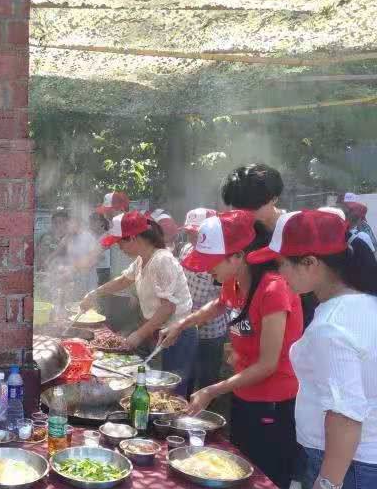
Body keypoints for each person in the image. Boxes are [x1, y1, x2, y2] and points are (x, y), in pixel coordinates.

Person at [160, 210, 303, 489]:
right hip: (246, 402)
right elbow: (216, 306)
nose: (208, 272)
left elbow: (270, 364)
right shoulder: (236, 284)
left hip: (275, 409)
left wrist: (212, 390)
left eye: (213, 264)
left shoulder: (273, 289)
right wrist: (181, 324)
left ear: (238, 255)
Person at [247, 209, 377, 489]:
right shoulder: (366, 306)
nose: (279, 274)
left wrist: (328, 481)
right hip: (367, 459)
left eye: (283, 264)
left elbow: (345, 414)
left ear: (311, 263)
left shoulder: (331, 326)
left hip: (346, 465)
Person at [81, 211, 196, 396]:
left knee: (170, 392)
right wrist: (95, 293)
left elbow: (168, 307)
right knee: (154, 387)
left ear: (133, 238)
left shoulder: (162, 260)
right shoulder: (142, 259)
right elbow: (123, 280)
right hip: (158, 331)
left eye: (120, 242)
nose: (118, 247)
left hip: (177, 335)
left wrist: (139, 335)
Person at [220, 163, 318, 329]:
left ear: (274, 199)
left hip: (301, 318)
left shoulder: (298, 229)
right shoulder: (242, 232)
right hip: (257, 319)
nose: (245, 213)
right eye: (239, 207)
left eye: (252, 207)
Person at [177, 208, 227, 392]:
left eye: (196, 233)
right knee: (185, 376)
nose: (191, 236)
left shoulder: (221, 258)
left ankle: (206, 416)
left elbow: (226, 298)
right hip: (187, 325)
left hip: (211, 332)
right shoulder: (185, 250)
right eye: (188, 232)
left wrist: (200, 318)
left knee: (207, 380)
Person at [95, 191, 138, 332]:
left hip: (130, 296)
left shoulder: (135, 232)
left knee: (125, 338)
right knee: (111, 333)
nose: (105, 216)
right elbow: (94, 253)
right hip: (115, 290)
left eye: (108, 212)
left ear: (120, 210)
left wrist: (135, 294)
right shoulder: (113, 230)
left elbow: (142, 262)